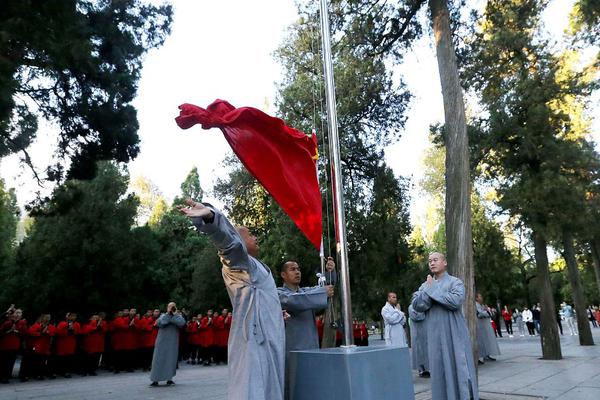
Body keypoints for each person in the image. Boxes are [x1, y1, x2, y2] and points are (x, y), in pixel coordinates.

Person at [178, 200, 286, 400]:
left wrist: (274, 314)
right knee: (254, 389)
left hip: (270, 338)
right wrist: (212, 220)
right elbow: (229, 245)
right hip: (254, 341)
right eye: (250, 234)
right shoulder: (239, 262)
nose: (255, 236)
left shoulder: (257, 266)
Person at [411, 252, 479, 400]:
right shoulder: (425, 285)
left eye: (435, 260)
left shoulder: (455, 282)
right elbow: (417, 305)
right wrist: (429, 291)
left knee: (459, 365)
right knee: (438, 368)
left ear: (445, 262)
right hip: (434, 335)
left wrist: (431, 290)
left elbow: (455, 302)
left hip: (454, 332)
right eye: (429, 261)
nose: (432, 263)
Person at [277, 259, 332, 399]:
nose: (297, 272)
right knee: (293, 390)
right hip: (291, 352)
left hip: (311, 349)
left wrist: (329, 272)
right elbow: (295, 300)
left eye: (298, 269)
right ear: (283, 274)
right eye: (292, 269)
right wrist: (321, 293)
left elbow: (324, 289)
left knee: (311, 389)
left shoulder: (307, 292)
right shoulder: (279, 294)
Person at [149, 302, 185, 386]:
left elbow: (182, 323)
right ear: (167, 307)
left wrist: (174, 315)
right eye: (170, 307)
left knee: (170, 359)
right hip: (161, 341)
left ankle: (169, 379)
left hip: (172, 342)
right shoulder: (162, 315)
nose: (172, 308)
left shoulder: (178, 316)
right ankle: (155, 380)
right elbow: (160, 323)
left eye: (173, 307)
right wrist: (168, 314)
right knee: (157, 360)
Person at [0, 307, 27, 383]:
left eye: (18, 313)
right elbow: (1, 332)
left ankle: (6, 376)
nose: (16, 315)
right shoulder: (6, 323)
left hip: (15, 346)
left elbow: (24, 334)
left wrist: (16, 331)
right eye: (15, 313)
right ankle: (3, 377)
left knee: (11, 362)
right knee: (3, 362)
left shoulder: (22, 323)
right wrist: (9, 331)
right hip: (4, 346)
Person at [52, 312, 81, 378]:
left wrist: (73, 331)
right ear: (68, 317)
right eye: (72, 316)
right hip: (62, 343)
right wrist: (67, 330)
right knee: (60, 358)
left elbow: (78, 332)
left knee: (68, 358)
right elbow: (58, 332)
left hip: (71, 343)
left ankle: (66, 371)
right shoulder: (62, 323)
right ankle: (57, 371)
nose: (73, 318)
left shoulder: (77, 324)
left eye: (74, 316)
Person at [475, 294, 500, 364]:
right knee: (480, 342)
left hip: (484, 327)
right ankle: (479, 357)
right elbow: (480, 314)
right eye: (480, 296)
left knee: (486, 341)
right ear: (476, 298)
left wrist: (488, 311)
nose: (482, 298)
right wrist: (488, 311)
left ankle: (486, 355)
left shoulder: (482, 305)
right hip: (479, 327)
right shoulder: (475, 305)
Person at [408, 304, 429, 378]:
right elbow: (417, 317)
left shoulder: (425, 306)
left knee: (427, 350)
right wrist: (424, 313)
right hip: (416, 333)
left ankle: (428, 369)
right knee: (418, 351)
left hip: (425, 331)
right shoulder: (411, 307)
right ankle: (421, 369)